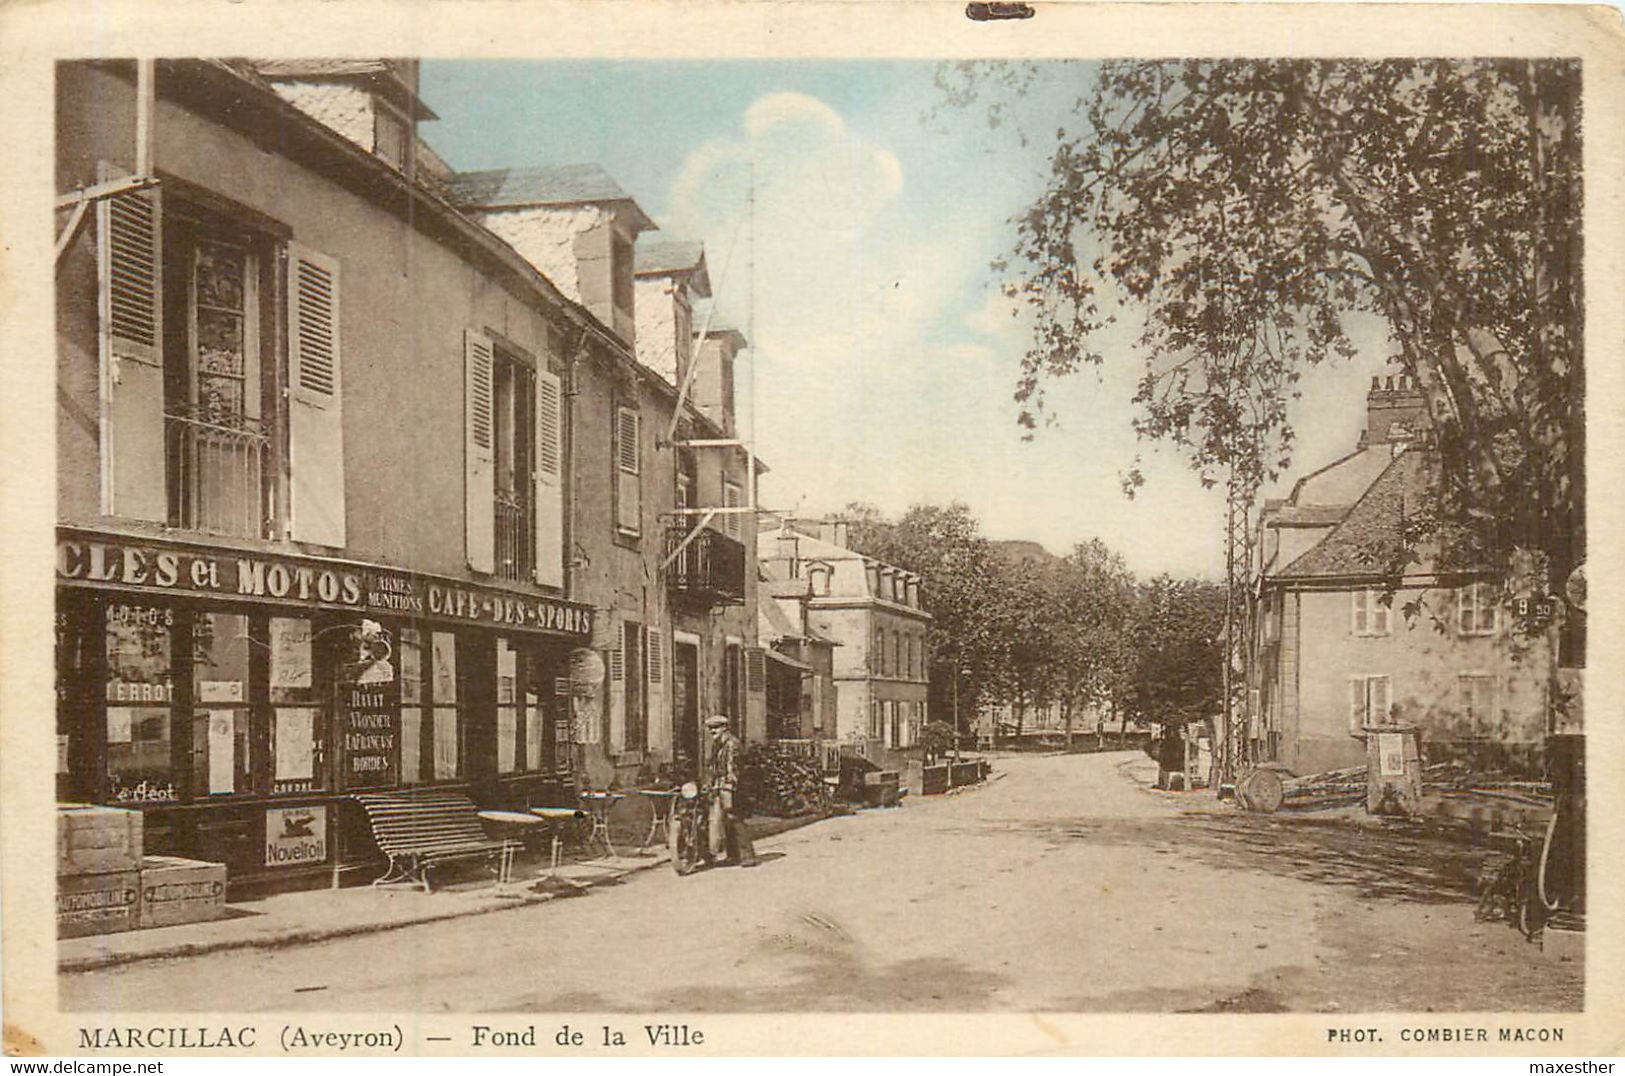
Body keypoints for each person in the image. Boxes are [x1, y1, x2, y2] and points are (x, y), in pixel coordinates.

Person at [704, 714, 760, 867]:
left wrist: (728, 784)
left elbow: (733, 767)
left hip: (735, 787)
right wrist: (710, 782)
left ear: (724, 728)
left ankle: (748, 856)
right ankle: (733, 855)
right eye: (710, 728)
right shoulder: (717, 744)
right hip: (722, 784)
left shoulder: (732, 744)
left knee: (735, 819)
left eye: (716, 727)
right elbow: (712, 766)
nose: (712, 731)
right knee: (726, 820)